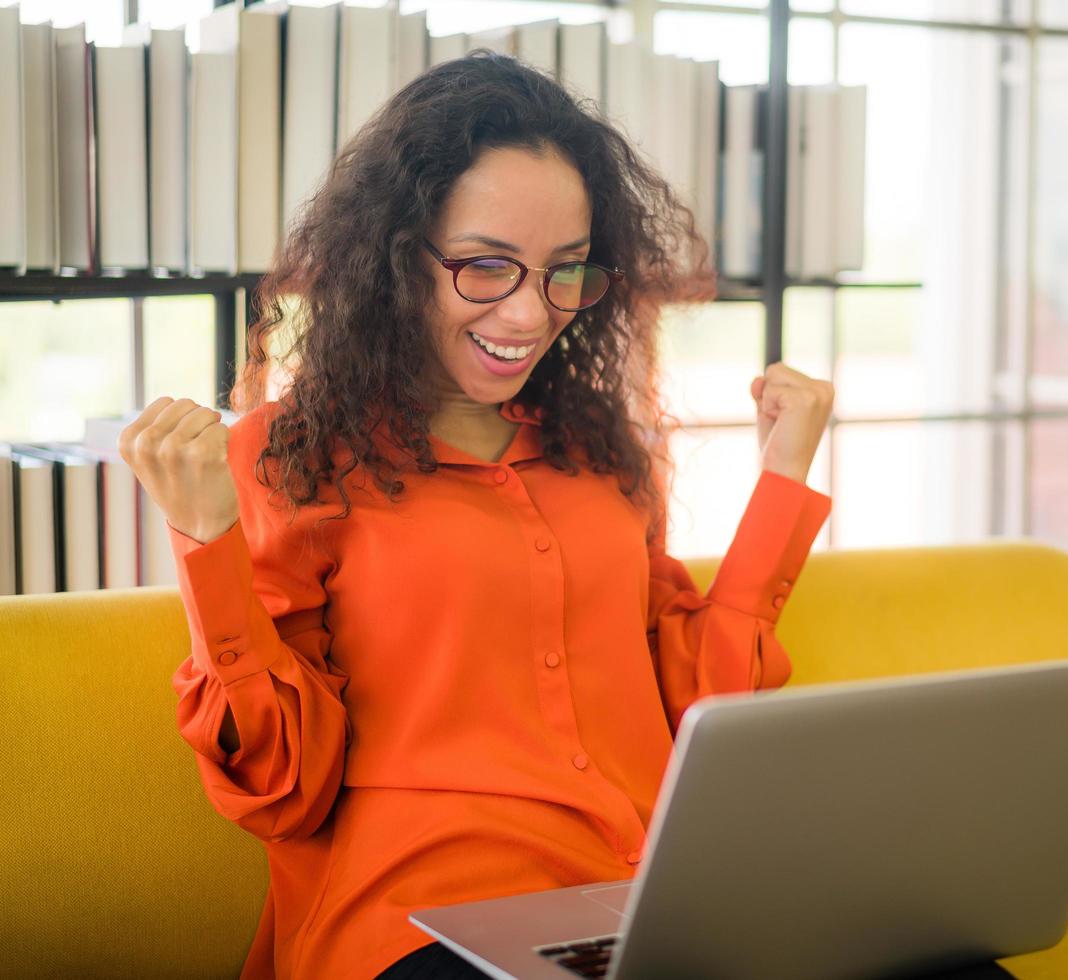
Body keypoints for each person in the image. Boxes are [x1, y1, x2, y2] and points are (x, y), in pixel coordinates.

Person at [119, 52, 834, 979]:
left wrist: (782, 480)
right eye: (487, 266)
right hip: (420, 926)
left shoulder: (598, 450)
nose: (533, 314)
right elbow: (278, 785)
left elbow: (698, 712)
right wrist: (207, 542)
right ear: (391, 256)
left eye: (566, 271)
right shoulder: (284, 455)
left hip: (642, 901)